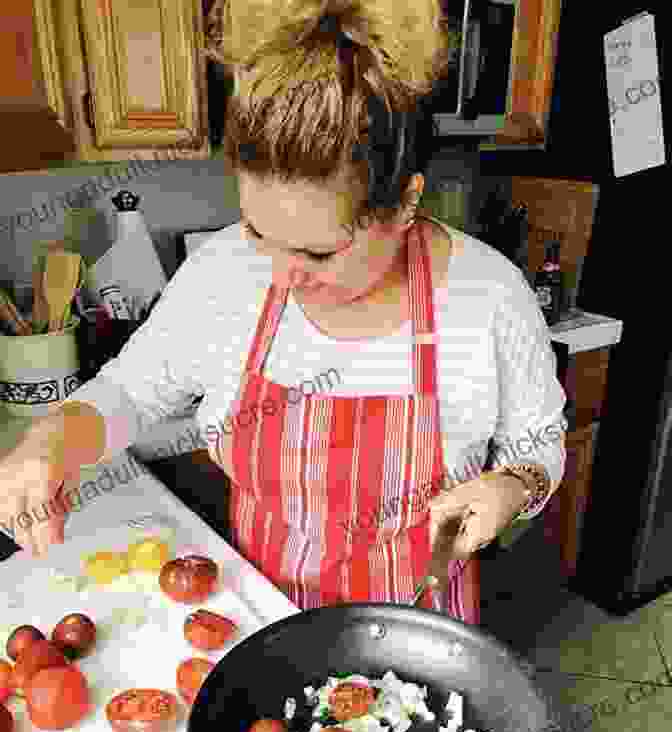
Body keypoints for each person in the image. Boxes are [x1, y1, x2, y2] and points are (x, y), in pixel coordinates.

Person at [0, 1, 566, 625]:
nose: (281, 272)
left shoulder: (488, 296)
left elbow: (538, 444)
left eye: (320, 251)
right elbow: (130, 394)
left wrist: (513, 486)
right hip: (250, 618)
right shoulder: (222, 272)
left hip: (419, 631)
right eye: (257, 231)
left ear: (406, 202)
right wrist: (54, 437)